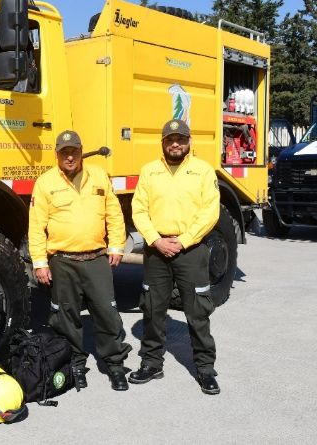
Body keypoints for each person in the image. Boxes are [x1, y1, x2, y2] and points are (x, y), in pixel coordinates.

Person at [28, 130, 132, 391]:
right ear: (57, 155)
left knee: (107, 313)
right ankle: (75, 364)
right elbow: (36, 227)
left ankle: (115, 365)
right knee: (67, 317)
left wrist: (117, 245)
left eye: (74, 151)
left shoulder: (98, 175)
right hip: (63, 261)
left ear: (81, 150)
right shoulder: (45, 183)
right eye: (64, 152)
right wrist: (40, 263)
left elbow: (114, 213)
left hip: (97, 258)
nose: (70, 156)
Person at [129, 119, 221, 395]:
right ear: (163, 143)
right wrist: (156, 240)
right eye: (170, 140)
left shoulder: (203, 171)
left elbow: (210, 212)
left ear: (189, 142)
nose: (175, 144)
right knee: (153, 309)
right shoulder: (150, 171)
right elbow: (138, 209)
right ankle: (151, 363)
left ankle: (205, 369)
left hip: (191, 251)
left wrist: (181, 241)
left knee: (197, 312)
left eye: (180, 139)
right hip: (156, 251)